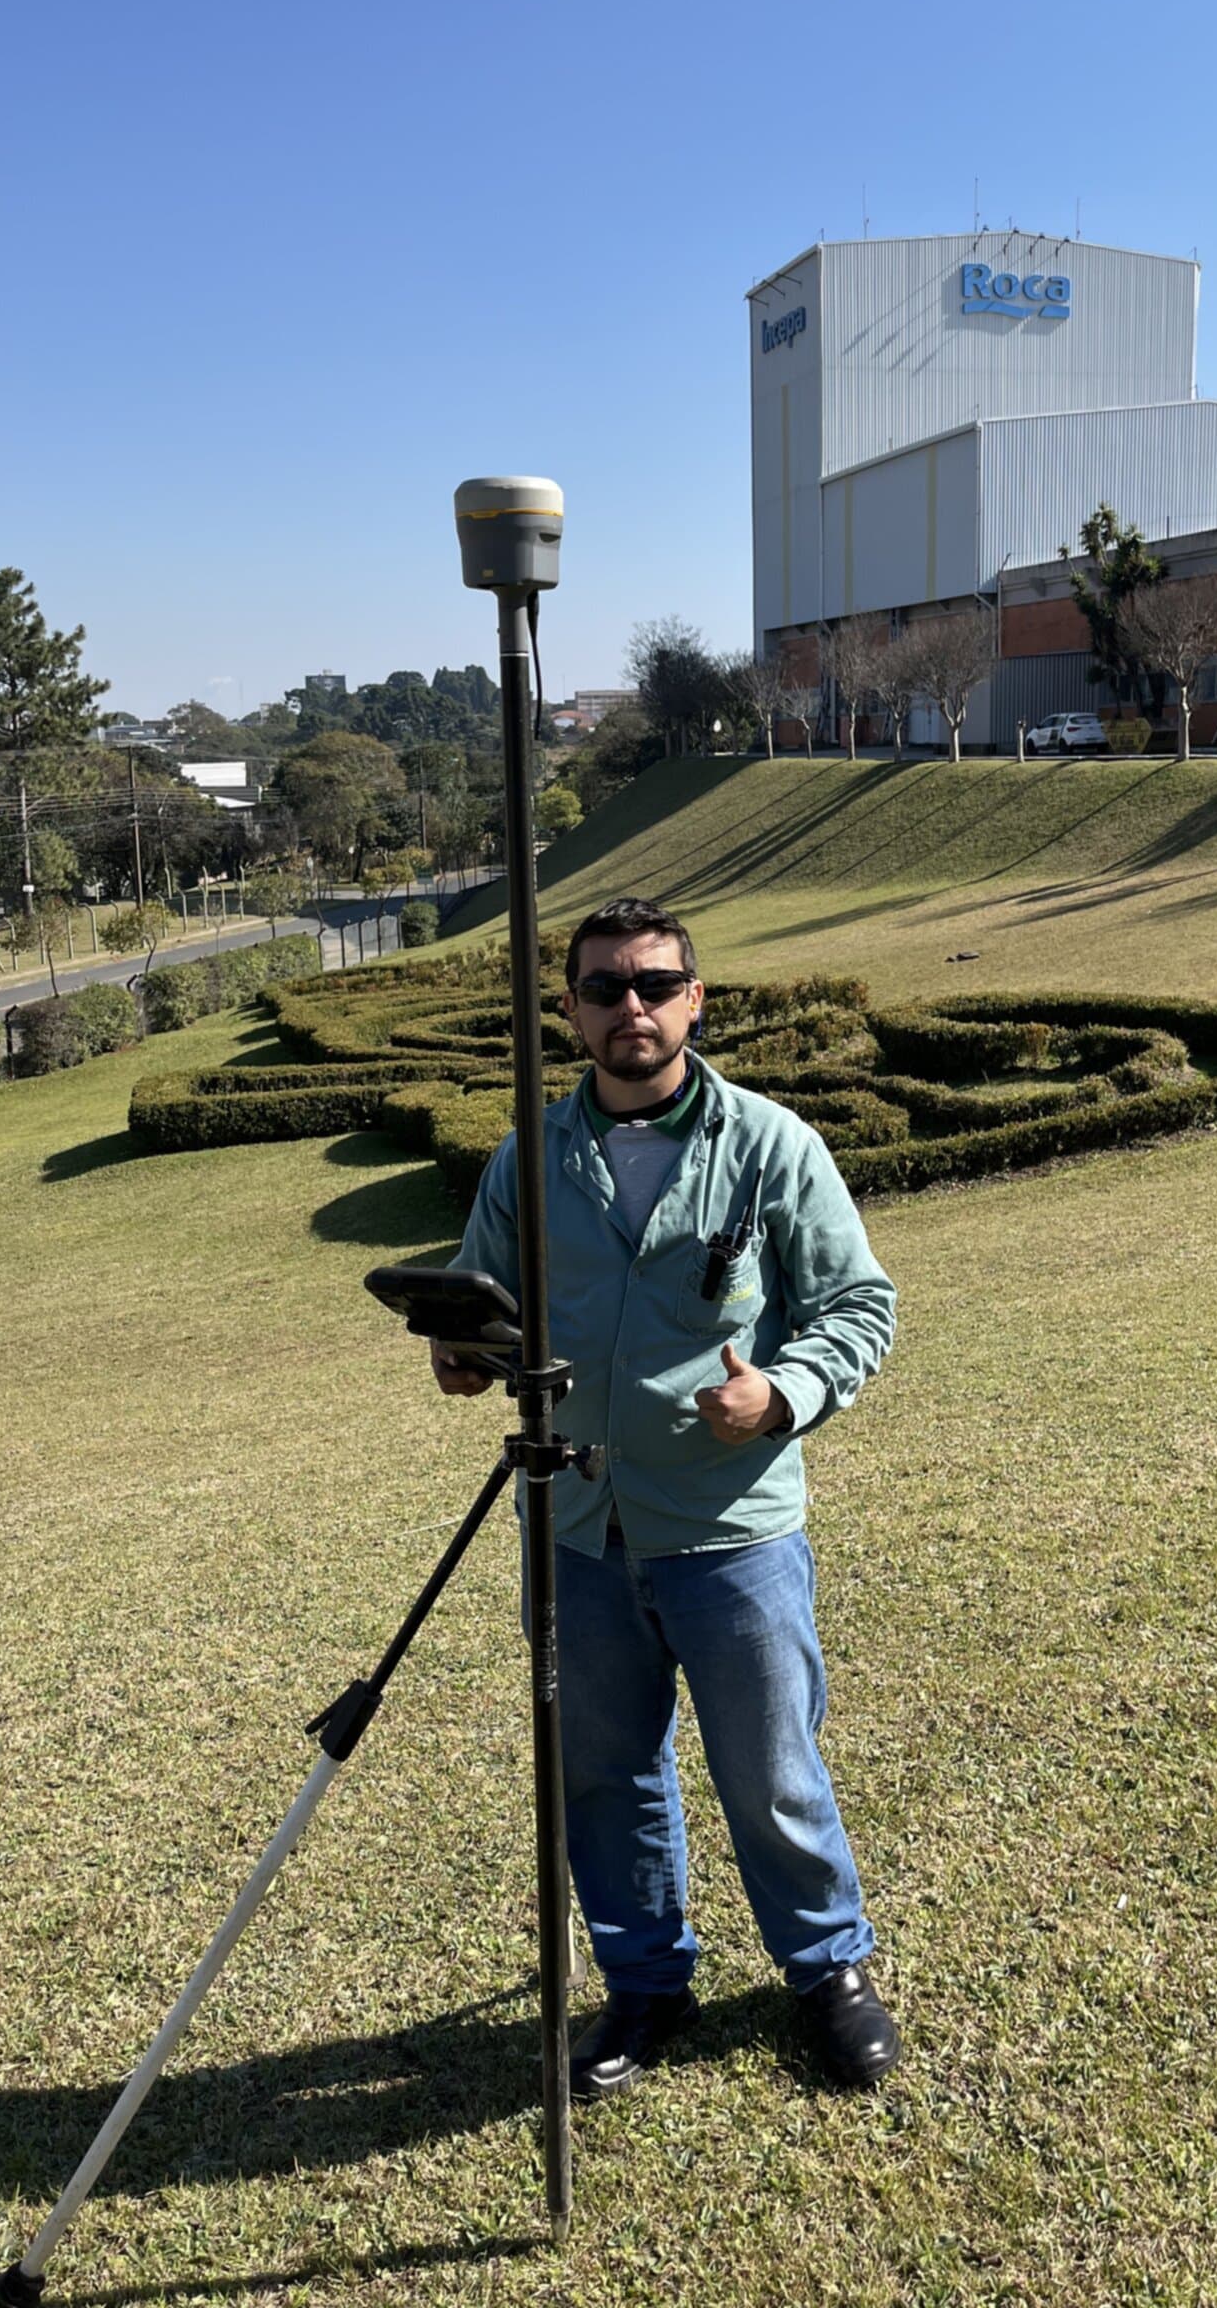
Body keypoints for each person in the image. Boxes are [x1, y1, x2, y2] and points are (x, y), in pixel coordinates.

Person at [433, 895, 900, 2095]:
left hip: (730, 1526)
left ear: (696, 997)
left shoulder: (771, 1145)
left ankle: (825, 1969)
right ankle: (645, 1982)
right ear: (572, 1009)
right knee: (602, 1769)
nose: (628, 1007)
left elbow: (860, 1307)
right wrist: (464, 1352)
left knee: (771, 1764)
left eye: (653, 984)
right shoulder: (527, 1161)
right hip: (576, 1525)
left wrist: (783, 1392)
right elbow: (485, 1303)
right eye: (602, 988)